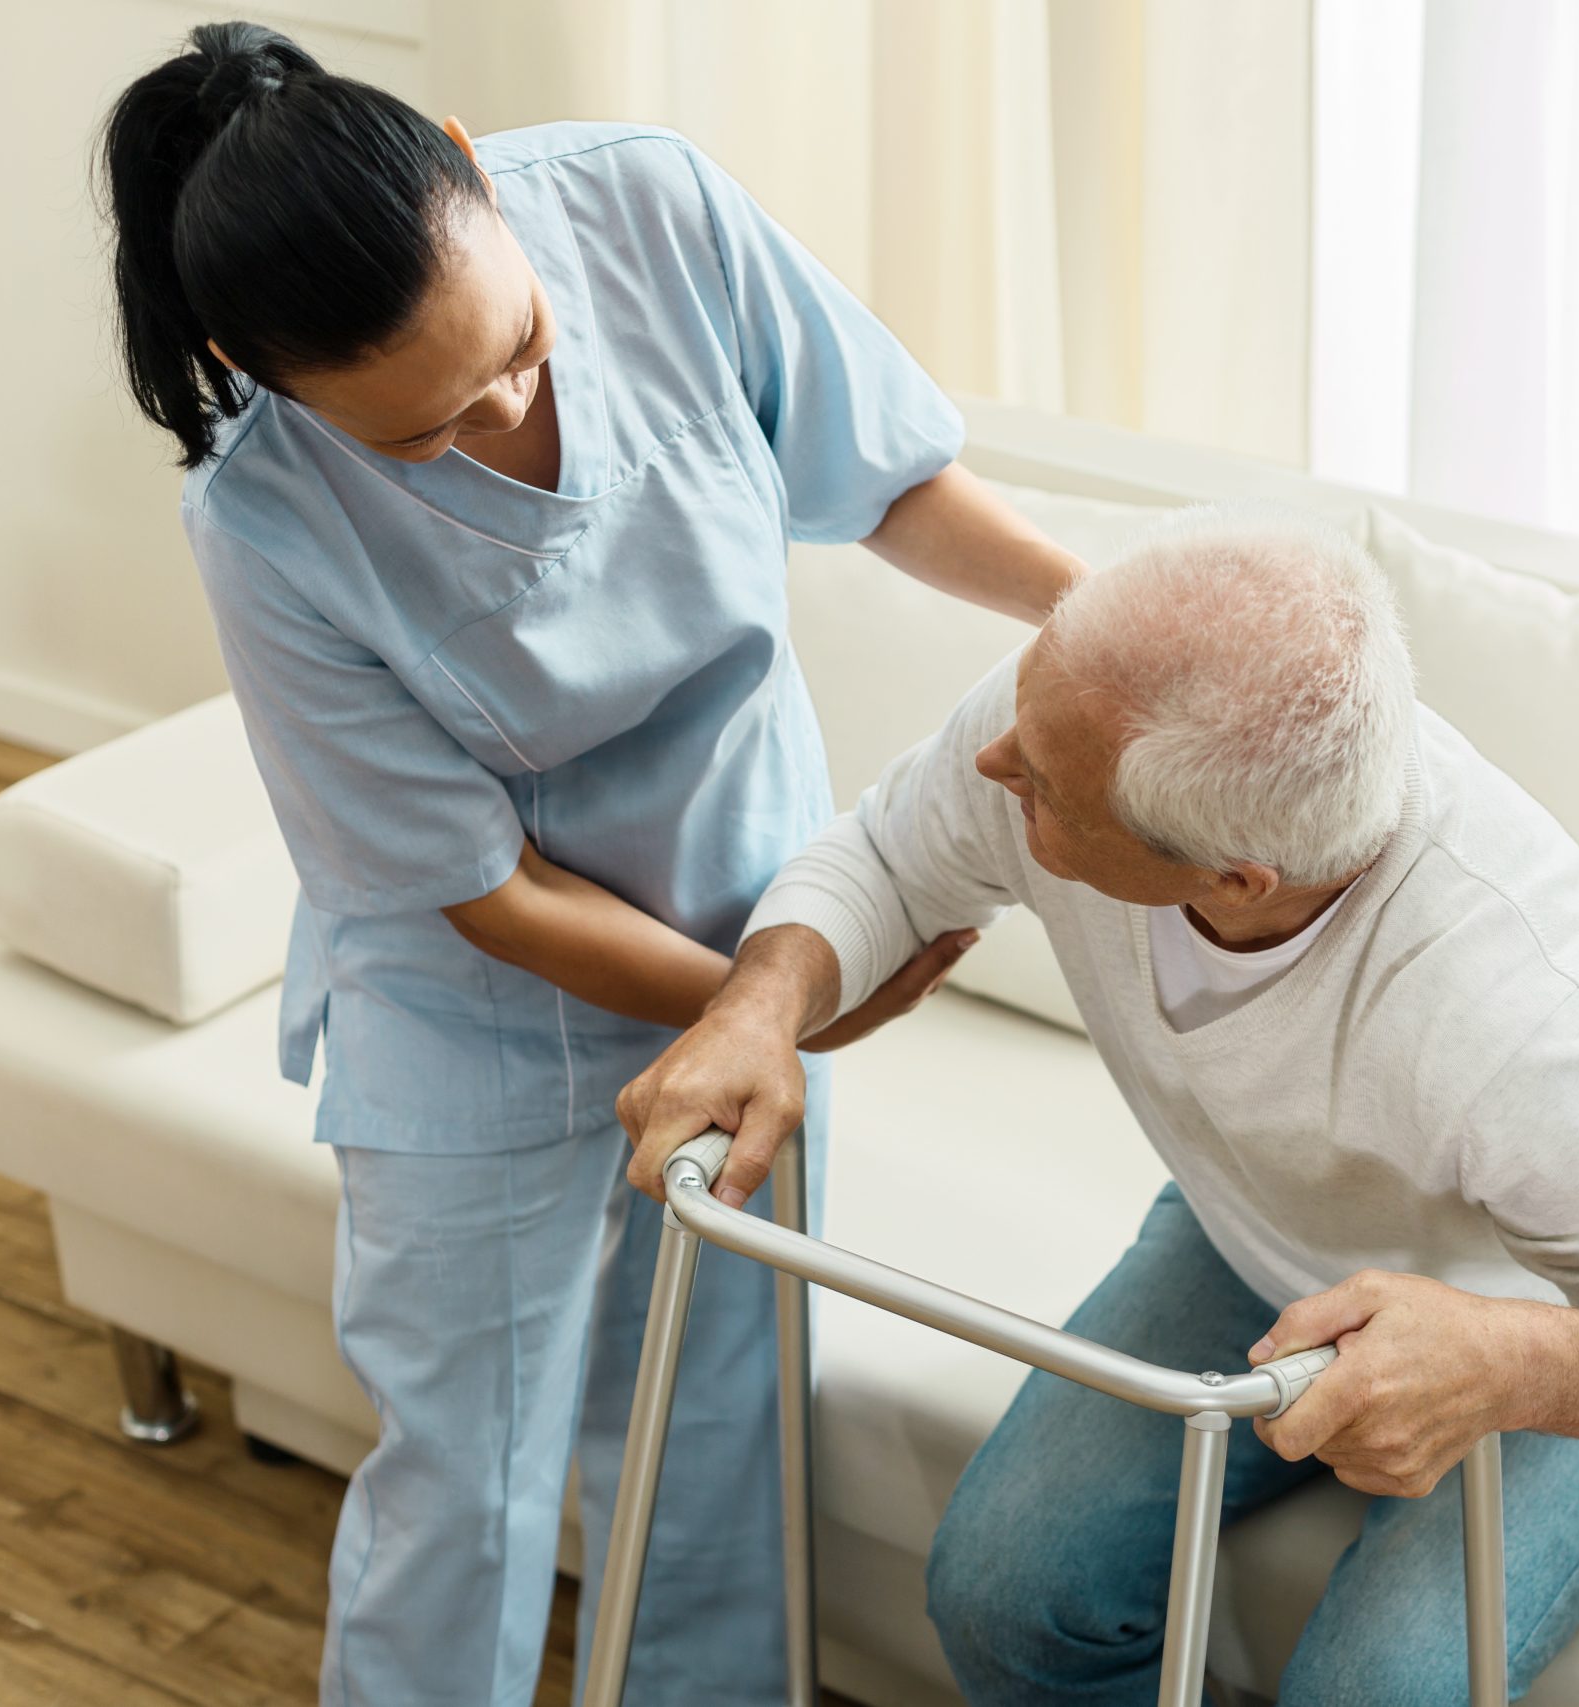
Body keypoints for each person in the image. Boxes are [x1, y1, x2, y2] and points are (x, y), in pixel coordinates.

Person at [99, 22, 1084, 1706]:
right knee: (462, 1485)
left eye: (525, 351)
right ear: (255, 369)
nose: (499, 416)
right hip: (484, 1007)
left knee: (725, 1419)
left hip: (751, 906)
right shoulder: (260, 523)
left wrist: (1107, 630)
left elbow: (890, 480)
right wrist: (772, 1009)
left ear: (477, 170)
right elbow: (483, 890)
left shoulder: (651, 204)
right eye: (420, 437)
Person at [620, 507, 1579, 1703]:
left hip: (1538, 1321)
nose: (996, 763)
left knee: (1378, 1694)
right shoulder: (1071, 707)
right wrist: (755, 1008)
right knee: (1005, 1594)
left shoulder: (1517, 1013)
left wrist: (1515, 1362)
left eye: (1043, 789)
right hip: (1253, 1237)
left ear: (1228, 877)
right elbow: (891, 854)